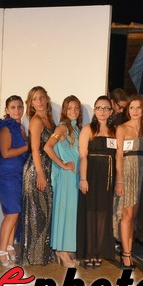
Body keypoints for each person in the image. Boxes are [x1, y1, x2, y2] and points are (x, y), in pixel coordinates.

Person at [78, 96, 118, 269]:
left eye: (106, 108)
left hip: (108, 177)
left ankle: (98, 252)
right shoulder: (88, 129)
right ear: (94, 110)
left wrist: (119, 180)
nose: (102, 111)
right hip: (91, 175)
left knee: (103, 213)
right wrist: (83, 178)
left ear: (111, 112)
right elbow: (83, 156)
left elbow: (119, 157)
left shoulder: (115, 131)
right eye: (99, 108)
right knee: (90, 213)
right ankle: (88, 252)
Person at [44, 95, 82, 267]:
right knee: (65, 211)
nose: (73, 111)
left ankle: (66, 248)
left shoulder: (77, 129)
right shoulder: (62, 127)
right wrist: (62, 164)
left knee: (72, 212)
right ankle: (61, 250)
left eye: (76, 108)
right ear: (65, 110)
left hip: (75, 176)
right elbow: (47, 147)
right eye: (70, 108)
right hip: (66, 177)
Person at [21, 86, 55, 266]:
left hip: (47, 168)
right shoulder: (36, 121)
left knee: (45, 212)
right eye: (35, 99)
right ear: (31, 104)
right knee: (36, 214)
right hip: (36, 170)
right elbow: (34, 149)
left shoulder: (49, 119)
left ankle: (42, 254)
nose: (39, 101)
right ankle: (33, 256)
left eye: (41, 97)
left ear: (46, 99)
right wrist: (40, 175)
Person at [115, 95, 143, 269]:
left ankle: (128, 252)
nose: (135, 111)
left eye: (138, 107)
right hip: (127, 173)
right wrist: (119, 180)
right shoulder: (122, 128)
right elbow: (119, 156)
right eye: (131, 108)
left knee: (135, 216)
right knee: (126, 215)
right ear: (127, 111)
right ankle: (125, 255)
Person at [0, 95, 28, 267]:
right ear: (7, 110)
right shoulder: (5, 128)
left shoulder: (21, 128)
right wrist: (29, 146)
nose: (17, 110)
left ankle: (10, 247)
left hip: (19, 174)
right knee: (12, 212)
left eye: (20, 107)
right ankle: (1, 252)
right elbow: (6, 153)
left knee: (15, 213)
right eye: (13, 107)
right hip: (7, 174)